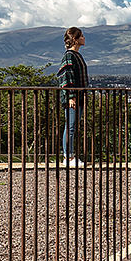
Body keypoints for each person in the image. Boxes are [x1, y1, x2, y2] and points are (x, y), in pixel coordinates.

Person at [56, 26, 88, 164]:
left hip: (78, 97)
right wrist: (71, 97)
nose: (84, 38)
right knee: (70, 126)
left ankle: (69, 155)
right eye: (81, 36)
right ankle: (68, 157)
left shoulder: (76, 55)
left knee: (72, 127)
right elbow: (66, 77)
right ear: (75, 39)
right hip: (73, 98)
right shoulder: (69, 56)